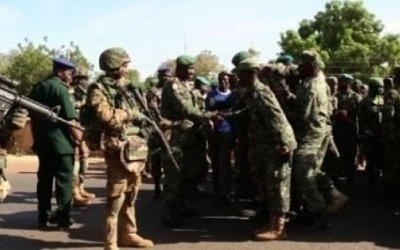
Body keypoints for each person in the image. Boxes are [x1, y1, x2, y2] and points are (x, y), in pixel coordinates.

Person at [221, 58, 297, 240]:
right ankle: (272, 222)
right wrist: (225, 116)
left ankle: (279, 229)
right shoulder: (253, 92)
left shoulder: (261, 92)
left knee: (278, 185)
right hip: (266, 145)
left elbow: (277, 119)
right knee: (270, 184)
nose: (237, 78)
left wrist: (283, 144)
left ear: (250, 74)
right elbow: (248, 113)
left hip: (276, 145)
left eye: (240, 74)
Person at [86, 47, 153, 249]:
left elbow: (142, 113)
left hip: (134, 148)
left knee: (132, 193)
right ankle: (111, 241)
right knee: (116, 195)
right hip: (116, 147)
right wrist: (130, 114)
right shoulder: (97, 89)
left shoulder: (129, 87)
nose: (126, 69)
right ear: (113, 65)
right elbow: (107, 117)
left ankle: (129, 234)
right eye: (124, 65)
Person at [29, 57, 88, 230]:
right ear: (60, 71)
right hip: (62, 146)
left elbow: (32, 117)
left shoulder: (38, 87)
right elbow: (71, 121)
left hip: (43, 144)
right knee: (64, 183)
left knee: (44, 182)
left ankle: (43, 217)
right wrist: (81, 143)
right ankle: (63, 219)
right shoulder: (61, 90)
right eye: (69, 73)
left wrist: (36, 139)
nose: (71, 76)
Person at [290, 50, 347, 229]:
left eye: (302, 65)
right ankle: (334, 194)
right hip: (321, 131)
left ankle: (318, 212)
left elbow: (302, 116)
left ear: (312, 66)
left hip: (310, 133)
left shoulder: (310, 86)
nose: (299, 68)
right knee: (313, 170)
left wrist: (283, 112)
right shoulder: (320, 80)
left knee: (303, 172)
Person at [160, 55, 217, 227]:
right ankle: (171, 213)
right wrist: (208, 116)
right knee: (173, 176)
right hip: (174, 137)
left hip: (187, 137)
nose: (192, 72)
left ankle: (181, 207)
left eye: (193, 68)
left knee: (185, 175)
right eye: (188, 68)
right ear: (179, 69)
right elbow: (185, 109)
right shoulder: (173, 85)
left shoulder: (186, 86)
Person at [206, 71, 234, 201]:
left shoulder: (233, 95)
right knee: (215, 162)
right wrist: (211, 120)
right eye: (221, 79)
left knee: (225, 162)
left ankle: (226, 191)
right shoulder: (212, 95)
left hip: (227, 132)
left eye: (226, 79)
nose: (224, 81)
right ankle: (216, 189)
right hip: (214, 133)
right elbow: (206, 112)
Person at [146, 67, 172, 198]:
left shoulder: (173, 90)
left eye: (168, 76)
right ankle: (156, 185)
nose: (166, 78)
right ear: (159, 76)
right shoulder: (153, 91)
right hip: (157, 129)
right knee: (156, 158)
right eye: (163, 76)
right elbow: (153, 109)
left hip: (171, 129)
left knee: (170, 158)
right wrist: (163, 122)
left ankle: (169, 188)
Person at [69, 69, 93, 208]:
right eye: (80, 78)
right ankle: (74, 193)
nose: (83, 81)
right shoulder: (69, 93)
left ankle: (81, 187)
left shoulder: (84, 94)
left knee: (84, 160)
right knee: (75, 162)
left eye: (85, 78)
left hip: (82, 130)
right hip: (72, 130)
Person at [333, 74, 362, 187]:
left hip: (352, 130)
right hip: (339, 129)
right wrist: (338, 113)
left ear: (348, 83)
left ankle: (350, 179)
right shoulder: (335, 96)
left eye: (343, 81)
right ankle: (338, 179)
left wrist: (360, 132)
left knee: (351, 154)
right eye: (340, 81)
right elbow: (330, 111)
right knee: (339, 154)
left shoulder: (356, 97)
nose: (340, 84)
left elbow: (361, 115)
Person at [359, 77, 385, 192]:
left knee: (382, 160)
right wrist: (367, 132)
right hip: (370, 136)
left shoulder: (382, 100)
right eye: (378, 87)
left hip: (382, 135)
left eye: (381, 87)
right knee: (371, 161)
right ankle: (371, 184)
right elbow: (361, 120)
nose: (381, 90)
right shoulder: (364, 102)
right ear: (372, 88)